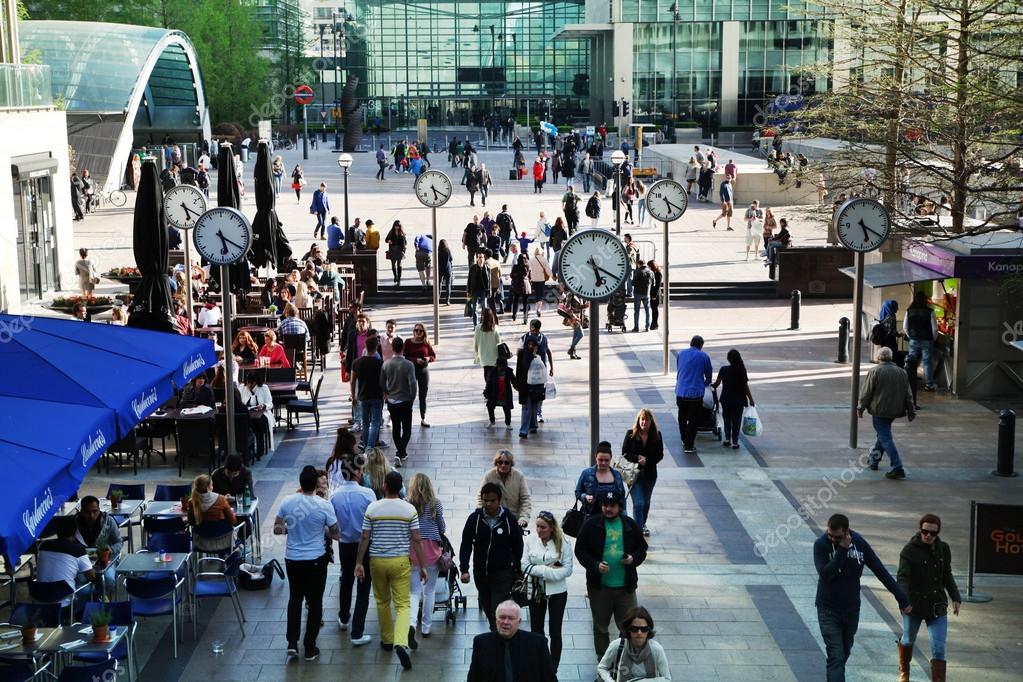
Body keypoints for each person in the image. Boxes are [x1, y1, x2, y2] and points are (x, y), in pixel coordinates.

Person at [815, 513, 910, 682]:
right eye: (829, 534)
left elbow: (880, 570)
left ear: (847, 532)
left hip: (851, 609)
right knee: (836, 655)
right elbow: (825, 574)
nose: (832, 539)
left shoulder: (859, 543)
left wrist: (901, 598)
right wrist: (842, 549)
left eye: (836, 537)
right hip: (828, 608)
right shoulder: (821, 544)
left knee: (844, 652)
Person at [354, 471, 426, 670]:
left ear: (384, 485)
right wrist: (421, 566)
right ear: (400, 487)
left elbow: (365, 537)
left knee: (382, 600)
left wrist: (359, 562)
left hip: (377, 560)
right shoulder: (409, 509)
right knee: (402, 604)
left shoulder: (373, 508)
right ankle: (400, 642)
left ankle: (386, 640)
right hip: (400, 561)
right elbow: (417, 539)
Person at [274, 466, 340, 661]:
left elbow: (278, 529)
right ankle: (310, 646)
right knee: (315, 601)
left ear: (300, 483)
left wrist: (290, 529)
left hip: (292, 559)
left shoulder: (287, 501)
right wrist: (324, 530)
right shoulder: (324, 505)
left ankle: (292, 643)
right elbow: (336, 534)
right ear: (316, 484)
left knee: (295, 599)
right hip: (316, 560)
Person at [576, 491, 648, 659]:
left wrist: (633, 559)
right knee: (601, 627)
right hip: (600, 587)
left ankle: (625, 661)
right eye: (605, 505)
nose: (608, 508)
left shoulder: (629, 524)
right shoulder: (591, 524)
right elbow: (580, 550)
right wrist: (594, 565)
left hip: (625, 587)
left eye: (612, 505)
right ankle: (603, 662)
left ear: (620, 507)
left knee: (629, 626)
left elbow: (642, 548)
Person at [896, 513, 961, 682]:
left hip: (937, 604)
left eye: (933, 533)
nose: (928, 536)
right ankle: (904, 672)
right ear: (920, 529)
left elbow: (947, 574)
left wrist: (956, 596)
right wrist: (903, 601)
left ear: (938, 532)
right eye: (925, 531)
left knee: (938, 648)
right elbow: (902, 577)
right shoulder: (909, 551)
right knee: (908, 638)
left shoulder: (943, 548)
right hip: (913, 605)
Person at [459, 482, 524, 632]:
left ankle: (497, 640)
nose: (488, 504)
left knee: (497, 609)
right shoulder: (475, 519)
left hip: (502, 574)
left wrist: (516, 568)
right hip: (481, 574)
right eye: (485, 500)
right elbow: (466, 544)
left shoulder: (508, 519)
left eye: (492, 500)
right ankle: (495, 632)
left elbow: (517, 546)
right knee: (488, 608)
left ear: (499, 500)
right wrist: (464, 569)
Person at [329, 459, 375, 645]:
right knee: (363, 587)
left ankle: (344, 616)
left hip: (345, 545)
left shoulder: (334, 496)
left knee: (346, 579)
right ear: (357, 472)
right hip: (365, 545)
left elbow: (331, 524)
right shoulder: (367, 494)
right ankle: (357, 631)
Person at [522, 512, 574, 672]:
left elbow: (567, 570)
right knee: (536, 630)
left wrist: (540, 571)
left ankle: (553, 666)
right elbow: (524, 565)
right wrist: (546, 569)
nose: (539, 530)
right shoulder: (529, 540)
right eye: (537, 526)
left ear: (551, 528)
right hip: (536, 592)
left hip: (558, 593)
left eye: (543, 527)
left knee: (555, 630)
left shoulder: (564, 542)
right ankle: (539, 662)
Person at [859, 346, 915, 479]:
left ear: (879, 358)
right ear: (891, 357)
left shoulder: (875, 371)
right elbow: (908, 394)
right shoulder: (902, 372)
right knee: (882, 436)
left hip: (879, 410)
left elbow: (866, 393)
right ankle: (874, 460)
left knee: (885, 438)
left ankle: (897, 466)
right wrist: (911, 410)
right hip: (895, 410)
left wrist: (860, 408)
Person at [467, 600, 558, 682]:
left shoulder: (538, 644)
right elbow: (473, 678)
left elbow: (549, 678)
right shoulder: (481, 643)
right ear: (496, 620)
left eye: (511, 618)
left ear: (519, 622)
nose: (506, 622)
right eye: (502, 617)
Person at [406, 473, 446, 642]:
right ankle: (427, 627)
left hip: (413, 550)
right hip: (431, 551)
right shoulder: (436, 504)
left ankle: (411, 624)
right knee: (429, 592)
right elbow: (441, 527)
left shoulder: (407, 504)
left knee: (414, 593)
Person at [596, 605, 672, 681]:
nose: (639, 633)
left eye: (644, 629)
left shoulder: (656, 649)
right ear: (628, 629)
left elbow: (667, 679)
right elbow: (602, 667)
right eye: (634, 629)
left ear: (649, 630)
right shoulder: (617, 645)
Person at [622, 409, 663, 537]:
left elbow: (659, 455)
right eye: (642, 419)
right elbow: (625, 453)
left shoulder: (657, 435)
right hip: (634, 475)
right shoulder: (631, 434)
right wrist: (637, 458)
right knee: (638, 503)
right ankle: (637, 531)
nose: (644, 422)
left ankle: (642, 523)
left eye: (647, 419)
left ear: (651, 422)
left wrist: (648, 460)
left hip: (650, 475)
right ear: (638, 421)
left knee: (646, 503)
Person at [38, 516, 95, 601]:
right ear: (75, 531)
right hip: (66, 605)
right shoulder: (77, 550)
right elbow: (92, 576)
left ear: (56, 530)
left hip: (41, 600)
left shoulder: (43, 546)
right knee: (93, 588)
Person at [74, 496, 121, 595]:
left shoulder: (108, 521)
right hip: (82, 562)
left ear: (99, 510)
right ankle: (95, 598)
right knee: (81, 582)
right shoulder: (74, 523)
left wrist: (111, 550)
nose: (91, 516)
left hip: (105, 560)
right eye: (87, 512)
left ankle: (102, 599)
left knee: (109, 580)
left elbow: (119, 542)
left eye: (95, 511)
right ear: (81, 511)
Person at [381, 337, 417, 466]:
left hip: (392, 400)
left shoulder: (386, 364)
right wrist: (412, 396)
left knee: (396, 427)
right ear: (403, 348)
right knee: (407, 428)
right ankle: (400, 452)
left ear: (392, 348)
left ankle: (400, 452)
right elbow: (412, 383)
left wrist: (386, 393)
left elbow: (381, 382)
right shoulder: (408, 365)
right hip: (405, 399)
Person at [674, 335, 712, 455]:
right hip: (695, 394)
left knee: (682, 417)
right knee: (693, 419)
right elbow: (709, 376)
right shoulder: (704, 356)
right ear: (701, 346)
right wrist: (703, 384)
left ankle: (684, 438)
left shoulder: (681, 354)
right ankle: (689, 445)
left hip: (681, 391)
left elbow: (680, 370)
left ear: (690, 343)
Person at [712, 348, 755, 449]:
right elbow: (745, 387)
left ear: (729, 359)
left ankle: (727, 439)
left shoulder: (723, 369)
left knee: (727, 419)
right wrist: (751, 399)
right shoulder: (742, 370)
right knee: (736, 421)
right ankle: (735, 442)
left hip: (726, 399)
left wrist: (708, 386)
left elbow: (716, 384)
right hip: (738, 400)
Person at [477, 450, 532, 527]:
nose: (503, 465)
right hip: (494, 518)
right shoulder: (489, 476)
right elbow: (480, 497)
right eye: (500, 462)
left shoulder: (519, 476)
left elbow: (525, 499)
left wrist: (523, 518)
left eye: (506, 462)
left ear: (511, 464)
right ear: (496, 463)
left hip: (514, 518)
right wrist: (480, 515)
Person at [188, 473, 238, 553]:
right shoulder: (221, 499)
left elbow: (191, 522)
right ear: (208, 487)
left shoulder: (192, 502)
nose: (212, 487)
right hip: (224, 543)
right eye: (212, 485)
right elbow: (233, 521)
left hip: (201, 544)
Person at [351, 335, 385, 452]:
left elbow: (352, 381)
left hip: (363, 395)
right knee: (375, 422)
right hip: (377, 395)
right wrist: (385, 393)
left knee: (365, 422)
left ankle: (365, 446)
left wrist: (353, 395)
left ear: (365, 346)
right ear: (376, 348)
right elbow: (383, 381)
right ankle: (370, 447)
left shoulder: (357, 362)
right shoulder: (380, 363)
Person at [575, 442, 627, 516]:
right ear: (595, 457)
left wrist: (624, 515)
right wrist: (585, 497)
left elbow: (622, 497)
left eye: (606, 460)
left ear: (611, 459)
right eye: (600, 460)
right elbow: (578, 492)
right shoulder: (586, 473)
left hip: (613, 517)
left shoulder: (617, 475)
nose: (603, 463)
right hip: (591, 515)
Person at [402, 322, 436, 428]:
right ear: (413, 331)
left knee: (423, 396)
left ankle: (423, 418)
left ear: (423, 332)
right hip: (411, 371)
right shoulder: (407, 342)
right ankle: (407, 418)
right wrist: (415, 360)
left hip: (423, 372)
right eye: (416, 330)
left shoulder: (426, 343)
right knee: (410, 395)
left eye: (420, 331)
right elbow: (404, 356)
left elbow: (433, 356)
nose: (418, 333)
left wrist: (428, 359)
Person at [903, 290, 938, 391]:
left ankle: (910, 382)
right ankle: (929, 385)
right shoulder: (930, 311)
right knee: (927, 362)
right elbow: (935, 328)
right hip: (927, 340)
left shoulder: (909, 311)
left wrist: (911, 337)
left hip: (914, 339)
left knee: (911, 361)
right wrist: (933, 339)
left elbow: (905, 327)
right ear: (925, 300)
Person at [514, 335, 547, 439]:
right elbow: (520, 369)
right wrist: (517, 384)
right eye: (529, 344)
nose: (531, 346)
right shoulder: (522, 354)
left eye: (533, 345)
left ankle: (533, 426)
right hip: (524, 385)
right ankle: (523, 430)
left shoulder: (539, 354)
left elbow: (542, 368)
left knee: (534, 406)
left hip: (537, 385)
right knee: (526, 407)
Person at [484, 356, 516, 429]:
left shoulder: (508, 371)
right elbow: (488, 383)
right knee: (490, 406)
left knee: (507, 409)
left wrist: (517, 387)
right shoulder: (493, 371)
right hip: (494, 393)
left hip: (505, 393)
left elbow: (514, 381)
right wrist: (486, 392)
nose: (499, 368)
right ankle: (492, 421)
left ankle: (508, 423)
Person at [474, 308, 503, 382]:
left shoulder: (477, 328)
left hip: (483, 357)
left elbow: (476, 344)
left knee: (486, 374)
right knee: (493, 377)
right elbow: (499, 343)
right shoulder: (495, 328)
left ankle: (488, 390)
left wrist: (476, 354)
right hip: (494, 357)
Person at [875, 300, 906, 367]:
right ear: (891, 307)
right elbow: (891, 331)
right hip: (890, 341)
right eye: (895, 307)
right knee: (891, 355)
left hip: (884, 340)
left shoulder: (883, 314)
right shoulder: (891, 317)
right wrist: (899, 334)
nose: (897, 308)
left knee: (885, 356)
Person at [466, 250, 490, 328]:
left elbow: (489, 281)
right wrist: (468, 291)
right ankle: (475, 325)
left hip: (484, 290)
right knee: (474, 308)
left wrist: (490, 291)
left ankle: (483, 323)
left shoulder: (486, 267)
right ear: (477, 259)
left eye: (482, 257)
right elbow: (469, 280)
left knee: (484, 306)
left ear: (484, 258)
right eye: (479, 257)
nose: (480, 259)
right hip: (475, 290)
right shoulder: (473, 267)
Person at [528, 247, 553, 318]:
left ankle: (537, 308)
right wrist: (552, 276)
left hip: (533, 279)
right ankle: (539, 309)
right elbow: (548, 269)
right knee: (540, 294)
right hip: (541, 279)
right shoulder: (544, 259)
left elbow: (528, 269)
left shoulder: (531, 260)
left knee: (536, 294)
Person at [631, 259, 652, 332]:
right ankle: (647, 327)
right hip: (647, 294)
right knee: (648, 311)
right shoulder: (650, 272)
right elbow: (654, 283)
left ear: (638, 264)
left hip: (638, 293)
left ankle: (636, 327)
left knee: (636, 311)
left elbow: (633, 283)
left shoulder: (637, 272)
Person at [509, 253, 531, 323]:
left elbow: (511, 275)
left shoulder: (515, 266)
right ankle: (525, 318)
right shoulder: (528, 266)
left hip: (517, 285)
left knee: (516, 300)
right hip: (526, 285)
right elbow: (530, 276)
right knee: (525, 302)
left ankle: (514, 315)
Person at [385, 220, 407, 286]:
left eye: (398, 226)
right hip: (392, 249)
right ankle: (395, 276)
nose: (397, 228)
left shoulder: (402, 233)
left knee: (399, 264)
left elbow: (405, 242)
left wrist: (404, 248)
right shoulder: (391, 232)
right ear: (394, 226)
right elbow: (386, 240)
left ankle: (399, 279)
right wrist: (389, 241)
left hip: (399, 250)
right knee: (393, 265)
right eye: (396, 226)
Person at [437, 239, 453, 304]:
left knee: (439, 284)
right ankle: (447, 300)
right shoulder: (448, 250)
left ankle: (437, 298)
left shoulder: (438, 251)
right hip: (447, 269)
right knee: (448, 285)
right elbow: (451, 258)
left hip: (440, 269)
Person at [647, 261, 662, 331]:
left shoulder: (658, 273)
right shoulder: (652, 273)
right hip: (652, 293)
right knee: (653, 309)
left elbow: (658, 285)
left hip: (655, 294)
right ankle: (654, 323)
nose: (648, 267)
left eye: (649, 266)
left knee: (655, 309)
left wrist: (654, 295)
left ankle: (655, 323)